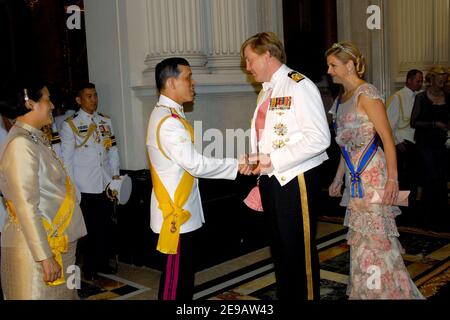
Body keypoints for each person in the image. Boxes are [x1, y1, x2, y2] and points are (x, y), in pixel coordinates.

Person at [146, 57, 251, 300]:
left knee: (182, 280)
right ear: (171, 83)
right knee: (175, 285)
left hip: (182, 210)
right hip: (175, 215)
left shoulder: (168, 114)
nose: (193, 83)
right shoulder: (169, 123)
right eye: (188, 78)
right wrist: (237, 164)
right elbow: (195, 164)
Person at [326, 42, 424, 299]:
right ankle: (366, 291)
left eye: (333, 65)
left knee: (377, 237)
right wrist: (338, 178)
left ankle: (387, 292)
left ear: (349, 65)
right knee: (360, 238)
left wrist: (393, 179)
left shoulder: (366, 94)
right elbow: (343, 145)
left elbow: (387, 139)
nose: (329, 70)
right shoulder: (340, 101)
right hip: (353, 177)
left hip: (374, 175)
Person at [241, 32, 331, 301]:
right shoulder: (267, 90)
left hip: (296, 179)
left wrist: (273, 160)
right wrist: (257, 159)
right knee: (280, 251)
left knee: (298, 252)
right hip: (272, 179)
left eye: (250, 59)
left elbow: (319, 138)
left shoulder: (298, 85)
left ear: (267, 55)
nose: (247, 67)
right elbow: (268, 135)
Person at [0, 82, 87, 299]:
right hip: (39, 251)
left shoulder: (34, 137)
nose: (52, 105)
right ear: (30, 103)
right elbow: (25, 205)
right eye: (47, 100)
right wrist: (45, 256)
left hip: (60, 243)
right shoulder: (21, 143)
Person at [60, 83, 120, 280]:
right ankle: (88, 269)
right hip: (84, 187)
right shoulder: (70, 125)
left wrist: (115, 178)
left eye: (95, 95)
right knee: (88, 232)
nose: (93, 100)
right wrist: (73, 189)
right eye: (88, 96)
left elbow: (112, 150)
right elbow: (67, 161)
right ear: (78, 100)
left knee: (104, 228)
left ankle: (102, 263)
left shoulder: (105, 121)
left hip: (103, 183)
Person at [411, 66, 450, 232]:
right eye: (440, 79)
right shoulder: (421, 98)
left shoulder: (447, 96)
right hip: (424, 144)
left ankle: (442, 218)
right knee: (430, 178)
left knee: (441, 179)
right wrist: (435, 124)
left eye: (445, 79)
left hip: (442, 144)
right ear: (431, 79)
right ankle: (427, 218)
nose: (442, 82)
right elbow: (414, 122)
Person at [386, 70, 423, 211]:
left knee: (413, 177)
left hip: (415, 143)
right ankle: (401, 207)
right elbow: (389, 123)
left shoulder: (419, 97)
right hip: (402, 143)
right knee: (402, 177)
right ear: (408, 80)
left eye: (421, 81)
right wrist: (397, 141)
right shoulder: (397, 97)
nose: (420, 83)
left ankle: (411, 206)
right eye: (418, 80)